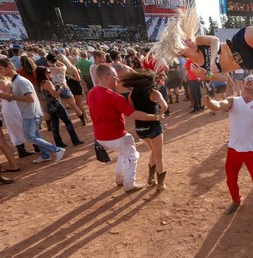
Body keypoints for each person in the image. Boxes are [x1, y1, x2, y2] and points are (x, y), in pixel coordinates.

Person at [203, 74, 253, 223]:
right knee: (231, 180)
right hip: (233, 150)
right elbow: (219, 105)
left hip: (251, 150)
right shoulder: (233, 101)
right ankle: (236, 201)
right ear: (243, 84)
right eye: (248, 79)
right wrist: (209, 103)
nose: (250, 81)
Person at [87, 64, 164, 192]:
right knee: (132, 155)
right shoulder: (114, 97)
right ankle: (129, 184)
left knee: (124, 153)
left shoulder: (91, 92)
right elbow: (136, 114)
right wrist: (156, 117)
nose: (117, 80)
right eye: (115, 77)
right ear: (107, 77)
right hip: (115, 135)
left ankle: (120, 179)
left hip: (99, 136)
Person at [0, 58, 66, 164]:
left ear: (9, 68)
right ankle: (45, 155)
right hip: (30, 112)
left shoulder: (20, 81)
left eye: (1, 69)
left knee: (30, 137)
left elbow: (30, 98)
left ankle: (56, 149)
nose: (0, 71)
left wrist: (12, 96)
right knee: (36, 135)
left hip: (30, 113)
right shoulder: (15, 81)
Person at [121, 71, 168, 191]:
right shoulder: (154, 93)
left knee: (153, 151)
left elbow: (133, 112)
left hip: (140, 129)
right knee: (159, 156)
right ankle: (160, 185)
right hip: (153, 127)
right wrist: (159, 114)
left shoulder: (132, 94)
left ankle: (151, 179)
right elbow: (165, 106)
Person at [36, 66, 84, 148]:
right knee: (68, 122)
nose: (50, 73)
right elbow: (55, 95)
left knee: (55, 126)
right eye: (48, 72)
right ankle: (75, 140)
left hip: (49, 107)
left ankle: (59, 143)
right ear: (44, 74)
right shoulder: (47, 83)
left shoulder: (40, 83)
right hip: (56, 106)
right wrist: (62, 86)